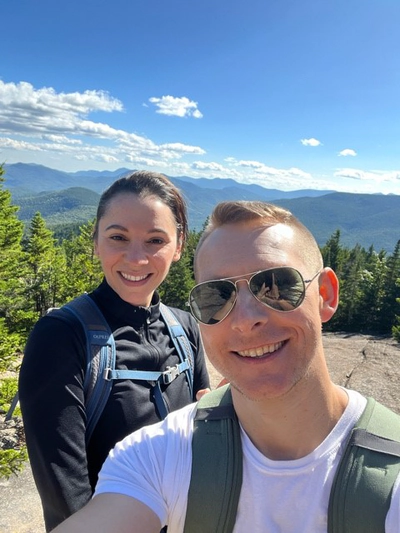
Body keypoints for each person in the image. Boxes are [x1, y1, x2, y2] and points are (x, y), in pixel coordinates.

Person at [52, 200, 400, 532]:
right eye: (217, 296)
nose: (245, 320)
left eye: (276, 285)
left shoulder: (392, 476)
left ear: (325, 294)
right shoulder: (156, 457)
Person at [18, 171, 210, 531]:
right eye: (118, 237)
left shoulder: (186, 329)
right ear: (95, 242)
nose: (136, 258)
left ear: (179, 246)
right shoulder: (61, 337)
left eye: (155, 240)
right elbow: (67, 499)